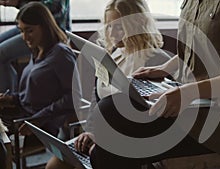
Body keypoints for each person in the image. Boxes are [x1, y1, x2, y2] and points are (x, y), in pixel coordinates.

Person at [87, 0, 220, 168]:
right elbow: (194, 50)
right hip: (185, 103)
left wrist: (189, 93)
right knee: (107, 133)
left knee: (108, 114)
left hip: (219, 118)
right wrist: (165, 69)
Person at [45, 0, 170, 168]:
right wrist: (90, 131)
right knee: (54, 165)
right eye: (109, 26)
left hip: (131, 140)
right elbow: (95, 99)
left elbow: (152, 118)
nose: (111, 34)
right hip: (100, 135)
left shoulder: (157, 61)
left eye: (119, 27)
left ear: (136, 23)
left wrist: (106, 138)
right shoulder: (112, 55)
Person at [0, 2, 80, 137]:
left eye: (30, 30)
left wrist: (38, 120)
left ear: (45, 27)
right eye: (21, 31)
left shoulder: (61, 54)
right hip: (26, 116)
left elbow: (73, 97)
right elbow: (35, 96)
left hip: (41, 125)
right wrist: (11, 99)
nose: (24, 37)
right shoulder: (37, 50)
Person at [0, 0, 71, 93]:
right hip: (31, 26)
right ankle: (10, 96)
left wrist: (19, 3)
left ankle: (9, 98)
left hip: (52, 29)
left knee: (1, 53)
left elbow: (51, 8)